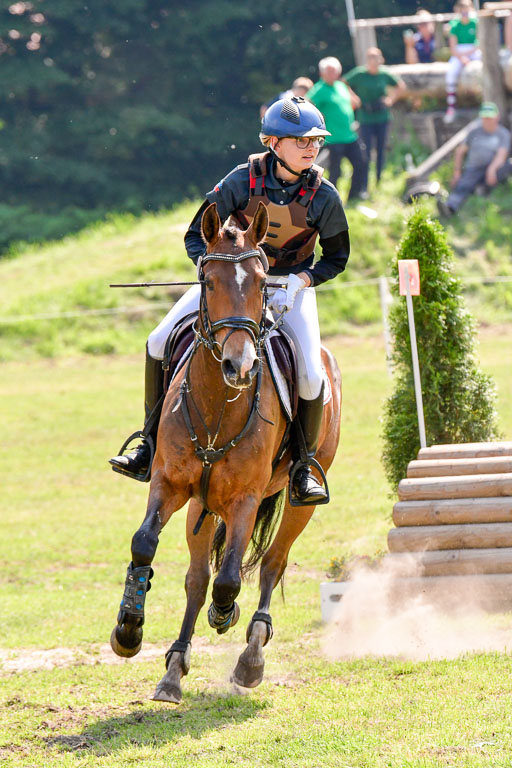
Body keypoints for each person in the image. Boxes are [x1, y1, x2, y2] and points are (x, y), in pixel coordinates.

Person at [110, 96, 350, 505]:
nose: (312, 148)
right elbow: (194, 236)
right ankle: (147, 445)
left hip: (288, 288)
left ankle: (303, 466)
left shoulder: (323, 195)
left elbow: (338, 257)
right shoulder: (241, 181)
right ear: (274, 143)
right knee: (156, 339)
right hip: (229, 282)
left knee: (311, 372)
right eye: (301, 141)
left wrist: (303, 279)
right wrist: (215, 272)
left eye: (316, 140)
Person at [344, 48, 406, 193]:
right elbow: (344, 82)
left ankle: (378, 180)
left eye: (376, 59)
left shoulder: (384, 74)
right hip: (365, 117)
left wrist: (391, 99)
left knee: (380, 150)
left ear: (380, 60)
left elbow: (400, 86)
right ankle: (364, 185)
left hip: (382, 116)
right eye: (371, 60)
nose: (374, 63)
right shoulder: (360, 74)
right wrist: (354, 97)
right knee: (365, 151)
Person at [306, 56, 367, 199]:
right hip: (333, 137)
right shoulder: (319, 89)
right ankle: (332, 200)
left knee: (361, 163)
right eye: (329, 71)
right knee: (335, 171)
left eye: (335, 71)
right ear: (322, 73)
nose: (333, 74)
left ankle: (354, 196)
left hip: (350, 135)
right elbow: (308, 107)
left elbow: (355, 103)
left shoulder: (341, 86)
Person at [437, 102, 511, 216]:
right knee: (463, 185)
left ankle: (483, 188)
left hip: (494, 168)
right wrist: (457, 172)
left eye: (489, 117)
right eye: (484, 118)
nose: (487, 120)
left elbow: (502, 156)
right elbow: (460, 152)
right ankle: (450, 207)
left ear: (497, 117)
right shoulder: (474, 131)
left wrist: (492, 169)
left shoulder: (503, 134)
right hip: (474, 168)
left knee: (509, 165)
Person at [444, 0, 480, 124]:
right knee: (451, 73)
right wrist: (462, 58)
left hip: (473, 51)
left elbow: (479, 42)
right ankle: (451, 107)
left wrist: (468, 55)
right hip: (460, 52)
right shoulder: (454, 25)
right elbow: (453, 48)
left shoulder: (476, 23)